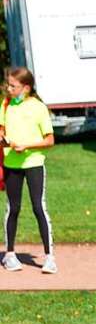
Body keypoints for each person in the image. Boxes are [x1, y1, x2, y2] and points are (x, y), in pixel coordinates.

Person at [1, 67, 57, 274]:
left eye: (13, 86)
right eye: (8, 84)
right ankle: (10, 254)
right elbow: (1, 129)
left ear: (26, 87)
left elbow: (50, 140)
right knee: (12, 209)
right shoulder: (6, 105)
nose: (9, 88)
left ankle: (50, 258)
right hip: (11, 165)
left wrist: (27, 146)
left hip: (34, 163)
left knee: (38, 207)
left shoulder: (38, 108)